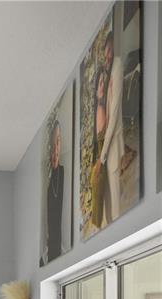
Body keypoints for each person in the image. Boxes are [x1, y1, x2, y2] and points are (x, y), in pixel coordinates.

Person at [96, 34, 124, 225]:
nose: (107, 54)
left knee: (115, 208)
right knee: (106, 201)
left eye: (109, 49)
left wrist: (102, 157)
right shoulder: (107, 72)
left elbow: (113, 117)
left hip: (111, 147)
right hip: (105, 145)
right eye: (105, 50)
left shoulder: (118, 66)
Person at [43, 120, 65, 264]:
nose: (56, 149)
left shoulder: (62, 173)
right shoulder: (47, 181)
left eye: (59, 142)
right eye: (54, 143)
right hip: (51, 252)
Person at [90, 69, 109, 230]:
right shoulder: (98, 111)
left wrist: (99, 163)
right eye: (100, 83)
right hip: (99, 158)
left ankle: (98, 224)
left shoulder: (104, 110)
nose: (102, 86)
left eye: (104, 82)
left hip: (104, 159)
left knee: (96, 181)